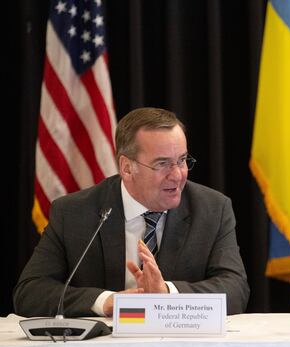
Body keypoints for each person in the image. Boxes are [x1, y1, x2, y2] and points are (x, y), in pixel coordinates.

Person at [14, 107, 250, 317]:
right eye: (162, 164)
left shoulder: (212, 209)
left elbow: (235, 288)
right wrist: (108, 302)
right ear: (127, 168)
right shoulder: (73, 213)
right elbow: (30, 292)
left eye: (182, 160)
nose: (178, 175)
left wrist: (167, 293)